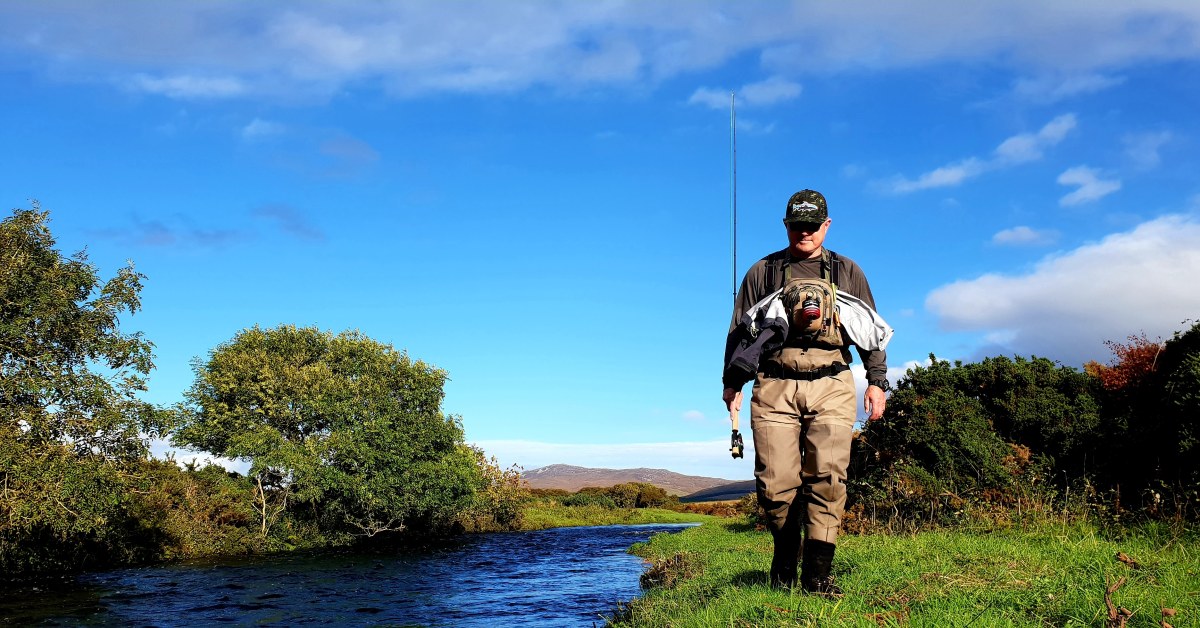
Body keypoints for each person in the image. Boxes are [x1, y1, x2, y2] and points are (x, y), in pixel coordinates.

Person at [722, 188, 889, 597]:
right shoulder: (762, 271)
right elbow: (738, 331)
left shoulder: (848, 271)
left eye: (813, 226)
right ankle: (784, 557)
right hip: (774, 384)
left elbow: (870, 331)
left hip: (833, 383)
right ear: (786, 225)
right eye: (798, 226)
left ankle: (817, 577)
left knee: (829, 479)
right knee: (774, 484)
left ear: (826, 225)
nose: (805, 233)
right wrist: (731, 383)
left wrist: (877, 381)